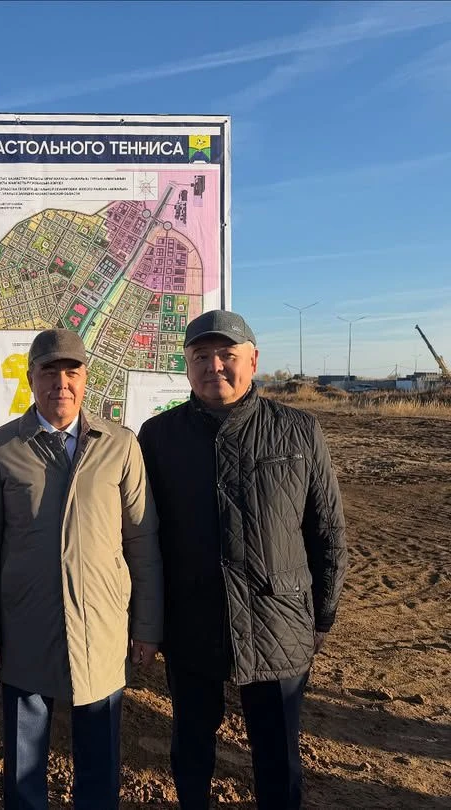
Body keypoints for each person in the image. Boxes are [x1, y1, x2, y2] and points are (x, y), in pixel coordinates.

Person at [136, 310, 347, 810]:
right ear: (187, 366)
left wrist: (322, 614)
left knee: (277, 754)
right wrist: (150, 620)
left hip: (279, 621)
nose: (214, 366)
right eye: (200, 356)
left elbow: (327, 532)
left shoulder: (298, 430)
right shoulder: (158, 437)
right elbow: (144, 539)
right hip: (192, 620)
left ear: (253, 360)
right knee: (191, 747)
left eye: (227, 355)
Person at [0, 328, 163, 810]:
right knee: (24, 771)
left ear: (86, 377)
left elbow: (141, 542)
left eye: (71, 371)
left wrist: (146, 626)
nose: (61, 382)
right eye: (48, 371)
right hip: (25, 629)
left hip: (101, 630)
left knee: (99, 766)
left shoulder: (120, 445)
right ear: (30, 378)